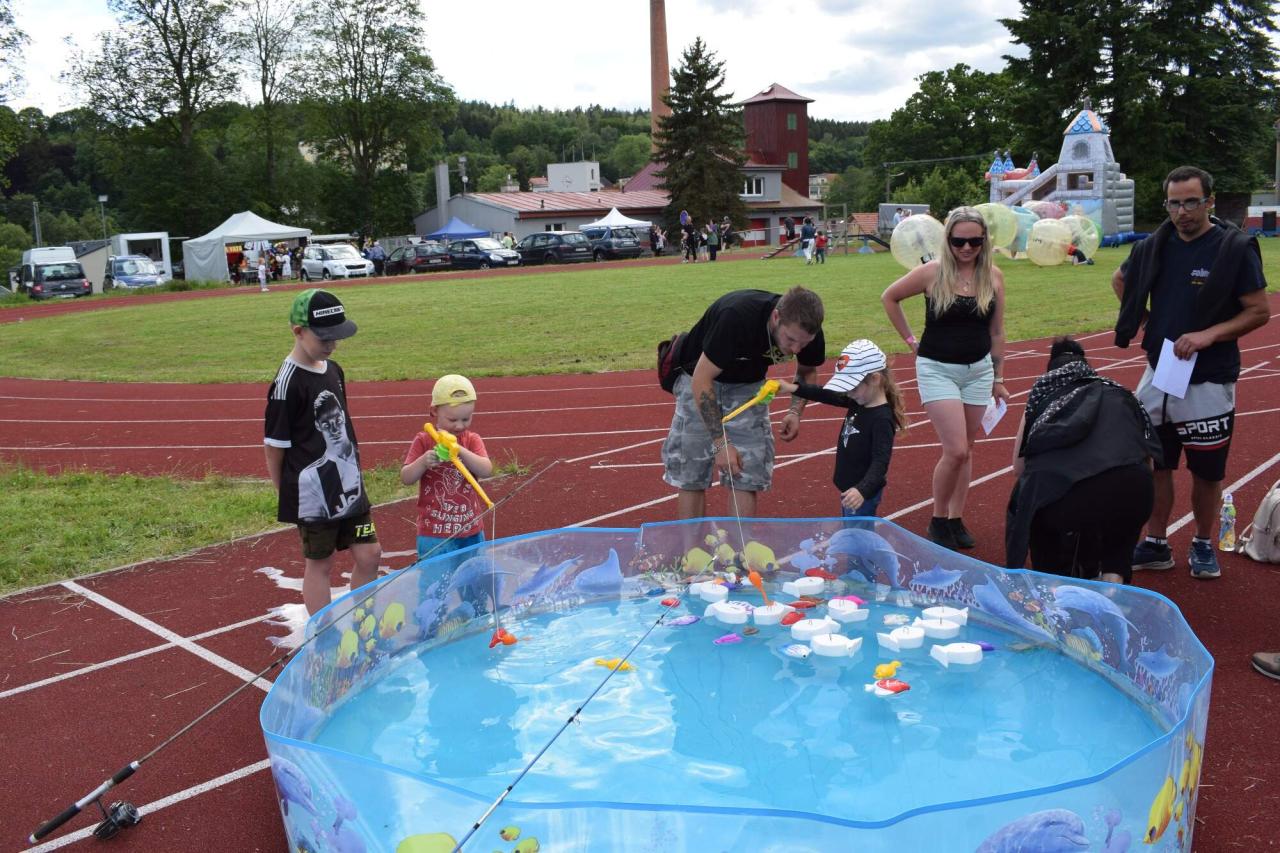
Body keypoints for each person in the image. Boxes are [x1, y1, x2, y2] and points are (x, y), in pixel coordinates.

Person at [1114, 165, 1270, 579]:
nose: (1182, 212)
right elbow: (1120, 280)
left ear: (1209, 202)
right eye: (1174, 204)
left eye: (1191, 203)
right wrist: (1147, 322)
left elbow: (1259, 311)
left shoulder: (1233, 249)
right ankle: (1156, 542)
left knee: (1207, 470)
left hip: (1209, 377)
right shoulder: (1154, 245)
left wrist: (1208, 335)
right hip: (1160, 372)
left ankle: (1202, 543)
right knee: (1156, 463)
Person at [882, 206, 1010, 550]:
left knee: (967, 450)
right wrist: (911, 341)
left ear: (984, 241)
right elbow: (890, 297)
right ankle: (938, 519)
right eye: (958, 241)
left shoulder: (994, 277)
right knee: (954, 449)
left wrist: (998, 377)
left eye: (975, 242)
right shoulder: (932, 272)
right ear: (947, 240)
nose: (967, 248)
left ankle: (955, 518)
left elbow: (997, 332)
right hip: (937, 369)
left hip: (979, 371)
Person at [1005, 338, 1162, 584]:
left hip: (1076, 494)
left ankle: (1051, 587)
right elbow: (1149, 461)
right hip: (1137, 487)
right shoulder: (1121, 393)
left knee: (1033, 510)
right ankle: (1111, 590)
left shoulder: (1045, 395)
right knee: (1118, 548)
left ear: (1050, 371)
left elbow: (1019, 467)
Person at [663, 286, 826, 519]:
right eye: (790, 339)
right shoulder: (736, 317)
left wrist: (795, 411)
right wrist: (721, 444)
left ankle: (739, 544)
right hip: (698, 375)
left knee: (747, 472)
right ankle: (691, 543)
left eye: (803, 343)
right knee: (691, 472)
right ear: (776, 317)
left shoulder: (808, 331)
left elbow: (807, 371)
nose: (795, 349)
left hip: (748, 383)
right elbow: (702, 379)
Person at [264, 289, 381, 615]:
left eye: (336, 337)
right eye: (324, 338)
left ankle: (362, 621)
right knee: (321, 563)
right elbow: (274, 447)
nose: (331, 344)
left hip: (351, 486)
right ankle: (324, 632)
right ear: (298, 331)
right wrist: (286, 493)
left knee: (370, 554)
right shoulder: (287, 383)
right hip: (314, 496)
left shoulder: (333, 370)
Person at [775, 339, 907, 518]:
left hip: (861, 495)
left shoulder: (882, 419)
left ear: (875, 379)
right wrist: (792, 387)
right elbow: (825, 394)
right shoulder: (858, 399)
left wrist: (862, 490)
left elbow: (880, 462)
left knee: (858, 532)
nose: (848, 393)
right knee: (851, 528)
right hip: (851, 490)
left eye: (852, 387)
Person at [400, 375, 493, 564]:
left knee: (473, 576)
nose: (459, 425)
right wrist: (423, 462)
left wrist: (461, 451)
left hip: (471, 530)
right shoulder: (424, 440)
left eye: (466, 419)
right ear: (434, 411)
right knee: (435, 579)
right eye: (452, 419)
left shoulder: (471, 440)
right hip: (434, 533)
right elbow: (406, 478)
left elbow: (486, 470)